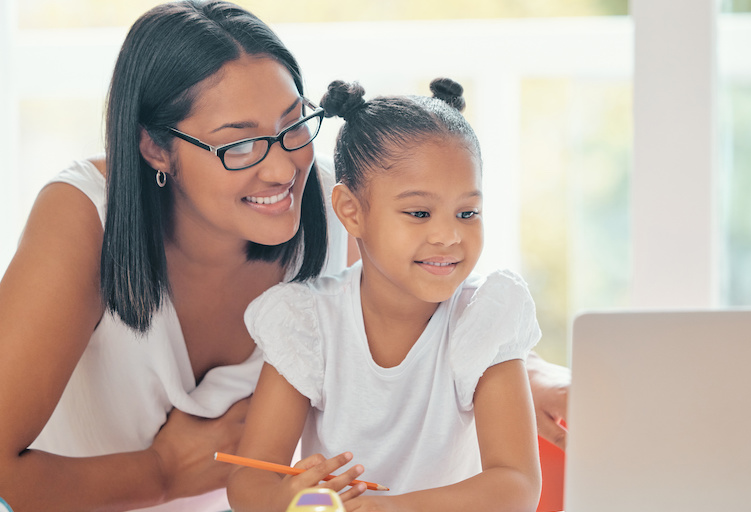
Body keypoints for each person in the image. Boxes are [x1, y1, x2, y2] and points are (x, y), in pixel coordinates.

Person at [0, 2, 568, 511]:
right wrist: (164, 472)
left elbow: (400, 296)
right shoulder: (87, 214)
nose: (283, 166)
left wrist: (521, 372)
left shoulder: (325, 201)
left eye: (292, 125)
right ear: (154, 148)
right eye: (239, 144)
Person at [227, 78, 542, 512]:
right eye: (419, 213)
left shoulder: (481, 318)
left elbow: (517, 485)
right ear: (351, 211)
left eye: (467, 212)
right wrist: (286, 499)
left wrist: (393, 508)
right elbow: (249, 477)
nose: (449, 235)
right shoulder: (308, 322)